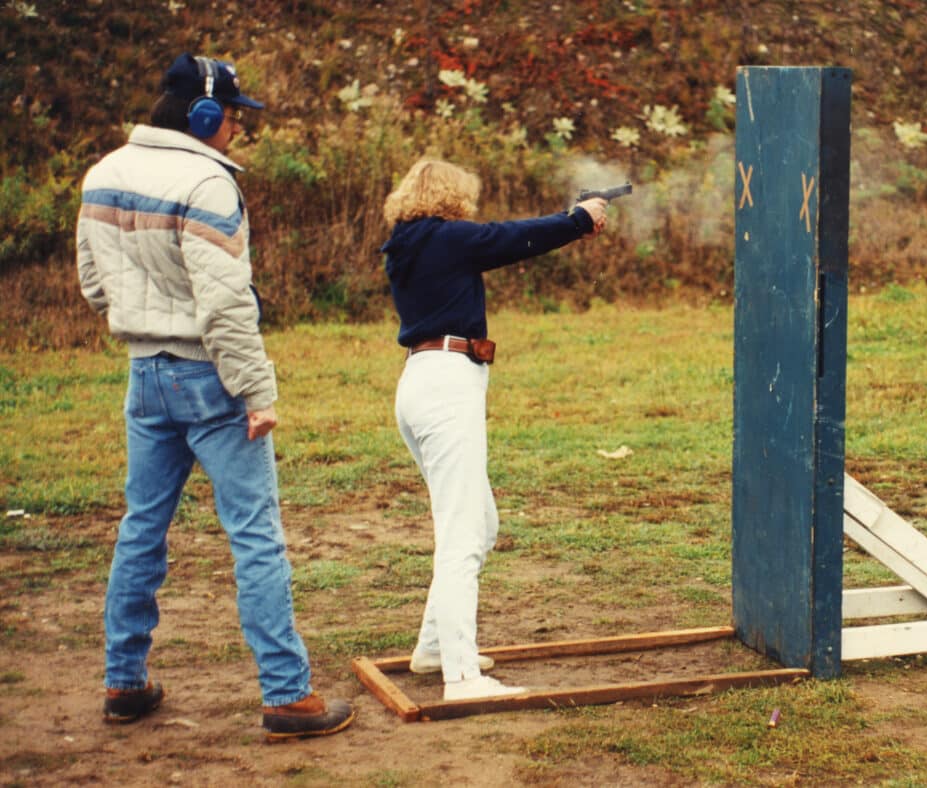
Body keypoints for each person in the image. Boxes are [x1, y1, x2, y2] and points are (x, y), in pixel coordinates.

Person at [76, 53, 354, 741]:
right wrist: (256, 391)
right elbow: (226, 306)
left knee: (141, 529)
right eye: (232, 115)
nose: (236, 127)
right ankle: (287, 696)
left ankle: (123, 682)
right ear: (203, 115)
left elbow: (93, 283)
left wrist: (143, 318)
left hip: (144, 373)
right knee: (256, 536)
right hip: (210, 377)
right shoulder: (208, 183)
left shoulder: (104, 172)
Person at [380, 158, 607, 700]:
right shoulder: (446, 239)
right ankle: (462, 677)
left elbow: (502, 237)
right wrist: (578, 220)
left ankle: (435, 648)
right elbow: (513, 238)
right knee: (462, 535)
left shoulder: (409, 243)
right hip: (446, 384)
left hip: (422, 381)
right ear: (449, 197)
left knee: (480, 523)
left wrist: (574, 218)